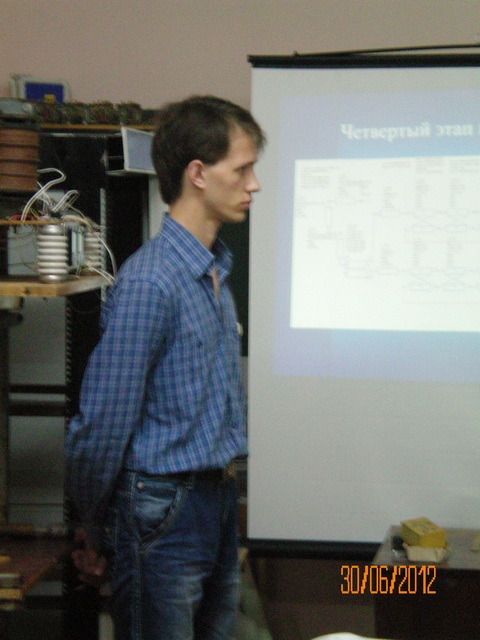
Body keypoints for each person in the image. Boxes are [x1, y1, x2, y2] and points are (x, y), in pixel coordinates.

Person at [64, 95, 266, 640]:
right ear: (198, 174)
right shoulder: (151, 281)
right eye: (241, 169)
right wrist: (93, 524)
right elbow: (103, 422)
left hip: (214, 500)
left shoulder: (214, 271)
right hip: (163, 507)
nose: (253, 185)